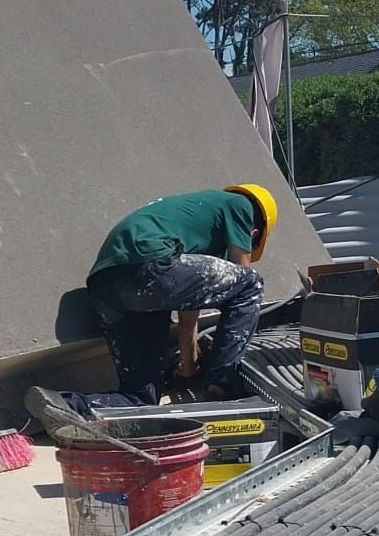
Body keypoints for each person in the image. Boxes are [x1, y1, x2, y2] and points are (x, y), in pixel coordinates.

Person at [26, 184, 278, 431]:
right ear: (253, 234)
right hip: (151, 265)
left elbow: (188, 319)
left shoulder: (195, 225)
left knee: (142, 398)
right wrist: (214, 382)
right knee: (251, 283)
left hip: (107, 285)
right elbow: (242, 273)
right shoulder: (240, 204)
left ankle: (67, 404)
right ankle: (224, 388)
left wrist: (190, 370)